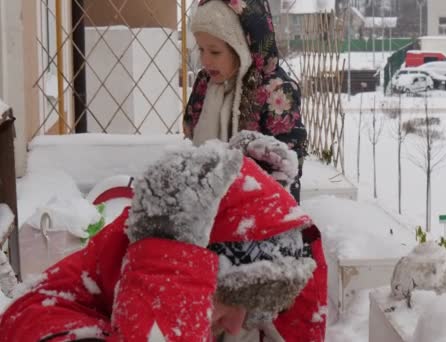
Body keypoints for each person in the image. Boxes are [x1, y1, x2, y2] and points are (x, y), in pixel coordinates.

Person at [0, 134, 327, 341]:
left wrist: (274, 213)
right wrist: (168, 266)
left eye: (255, 308)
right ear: (182, 272)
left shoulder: (144, 294)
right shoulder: (47, 323)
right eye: (232, 300)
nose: (235, 326)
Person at [183, 0, 307, 202]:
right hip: (205, 208)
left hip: (257, 213)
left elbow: (286, 169)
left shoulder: (276, 91)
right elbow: (190, 137)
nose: (205, 61)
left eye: (214, 52)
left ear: (242, 47)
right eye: (201, 49)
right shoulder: (205, 83)